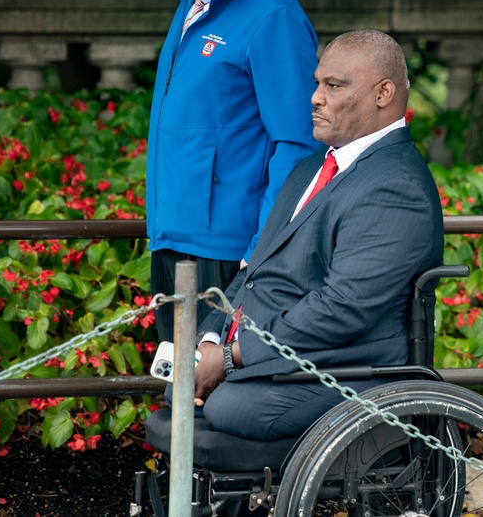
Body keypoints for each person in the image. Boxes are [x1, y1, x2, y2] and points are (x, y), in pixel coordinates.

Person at [176, 29, 444, 440]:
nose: (315, 97)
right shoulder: (311, 167)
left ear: (383, 93)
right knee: (183, 386)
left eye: (334, 86)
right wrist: (210, 338)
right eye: (317, 83)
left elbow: (343, 307)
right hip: (275, 355)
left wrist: (230, 358)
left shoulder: (396, 186)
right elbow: (255, 272)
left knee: (230, 405)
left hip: (344, 366)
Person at [146, 0, 323, 343]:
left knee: (209, 406)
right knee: (177, 398)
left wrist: (262, 248)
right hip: (171, 238)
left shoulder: (274, 16)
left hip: (226, 251)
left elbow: (299, 144)